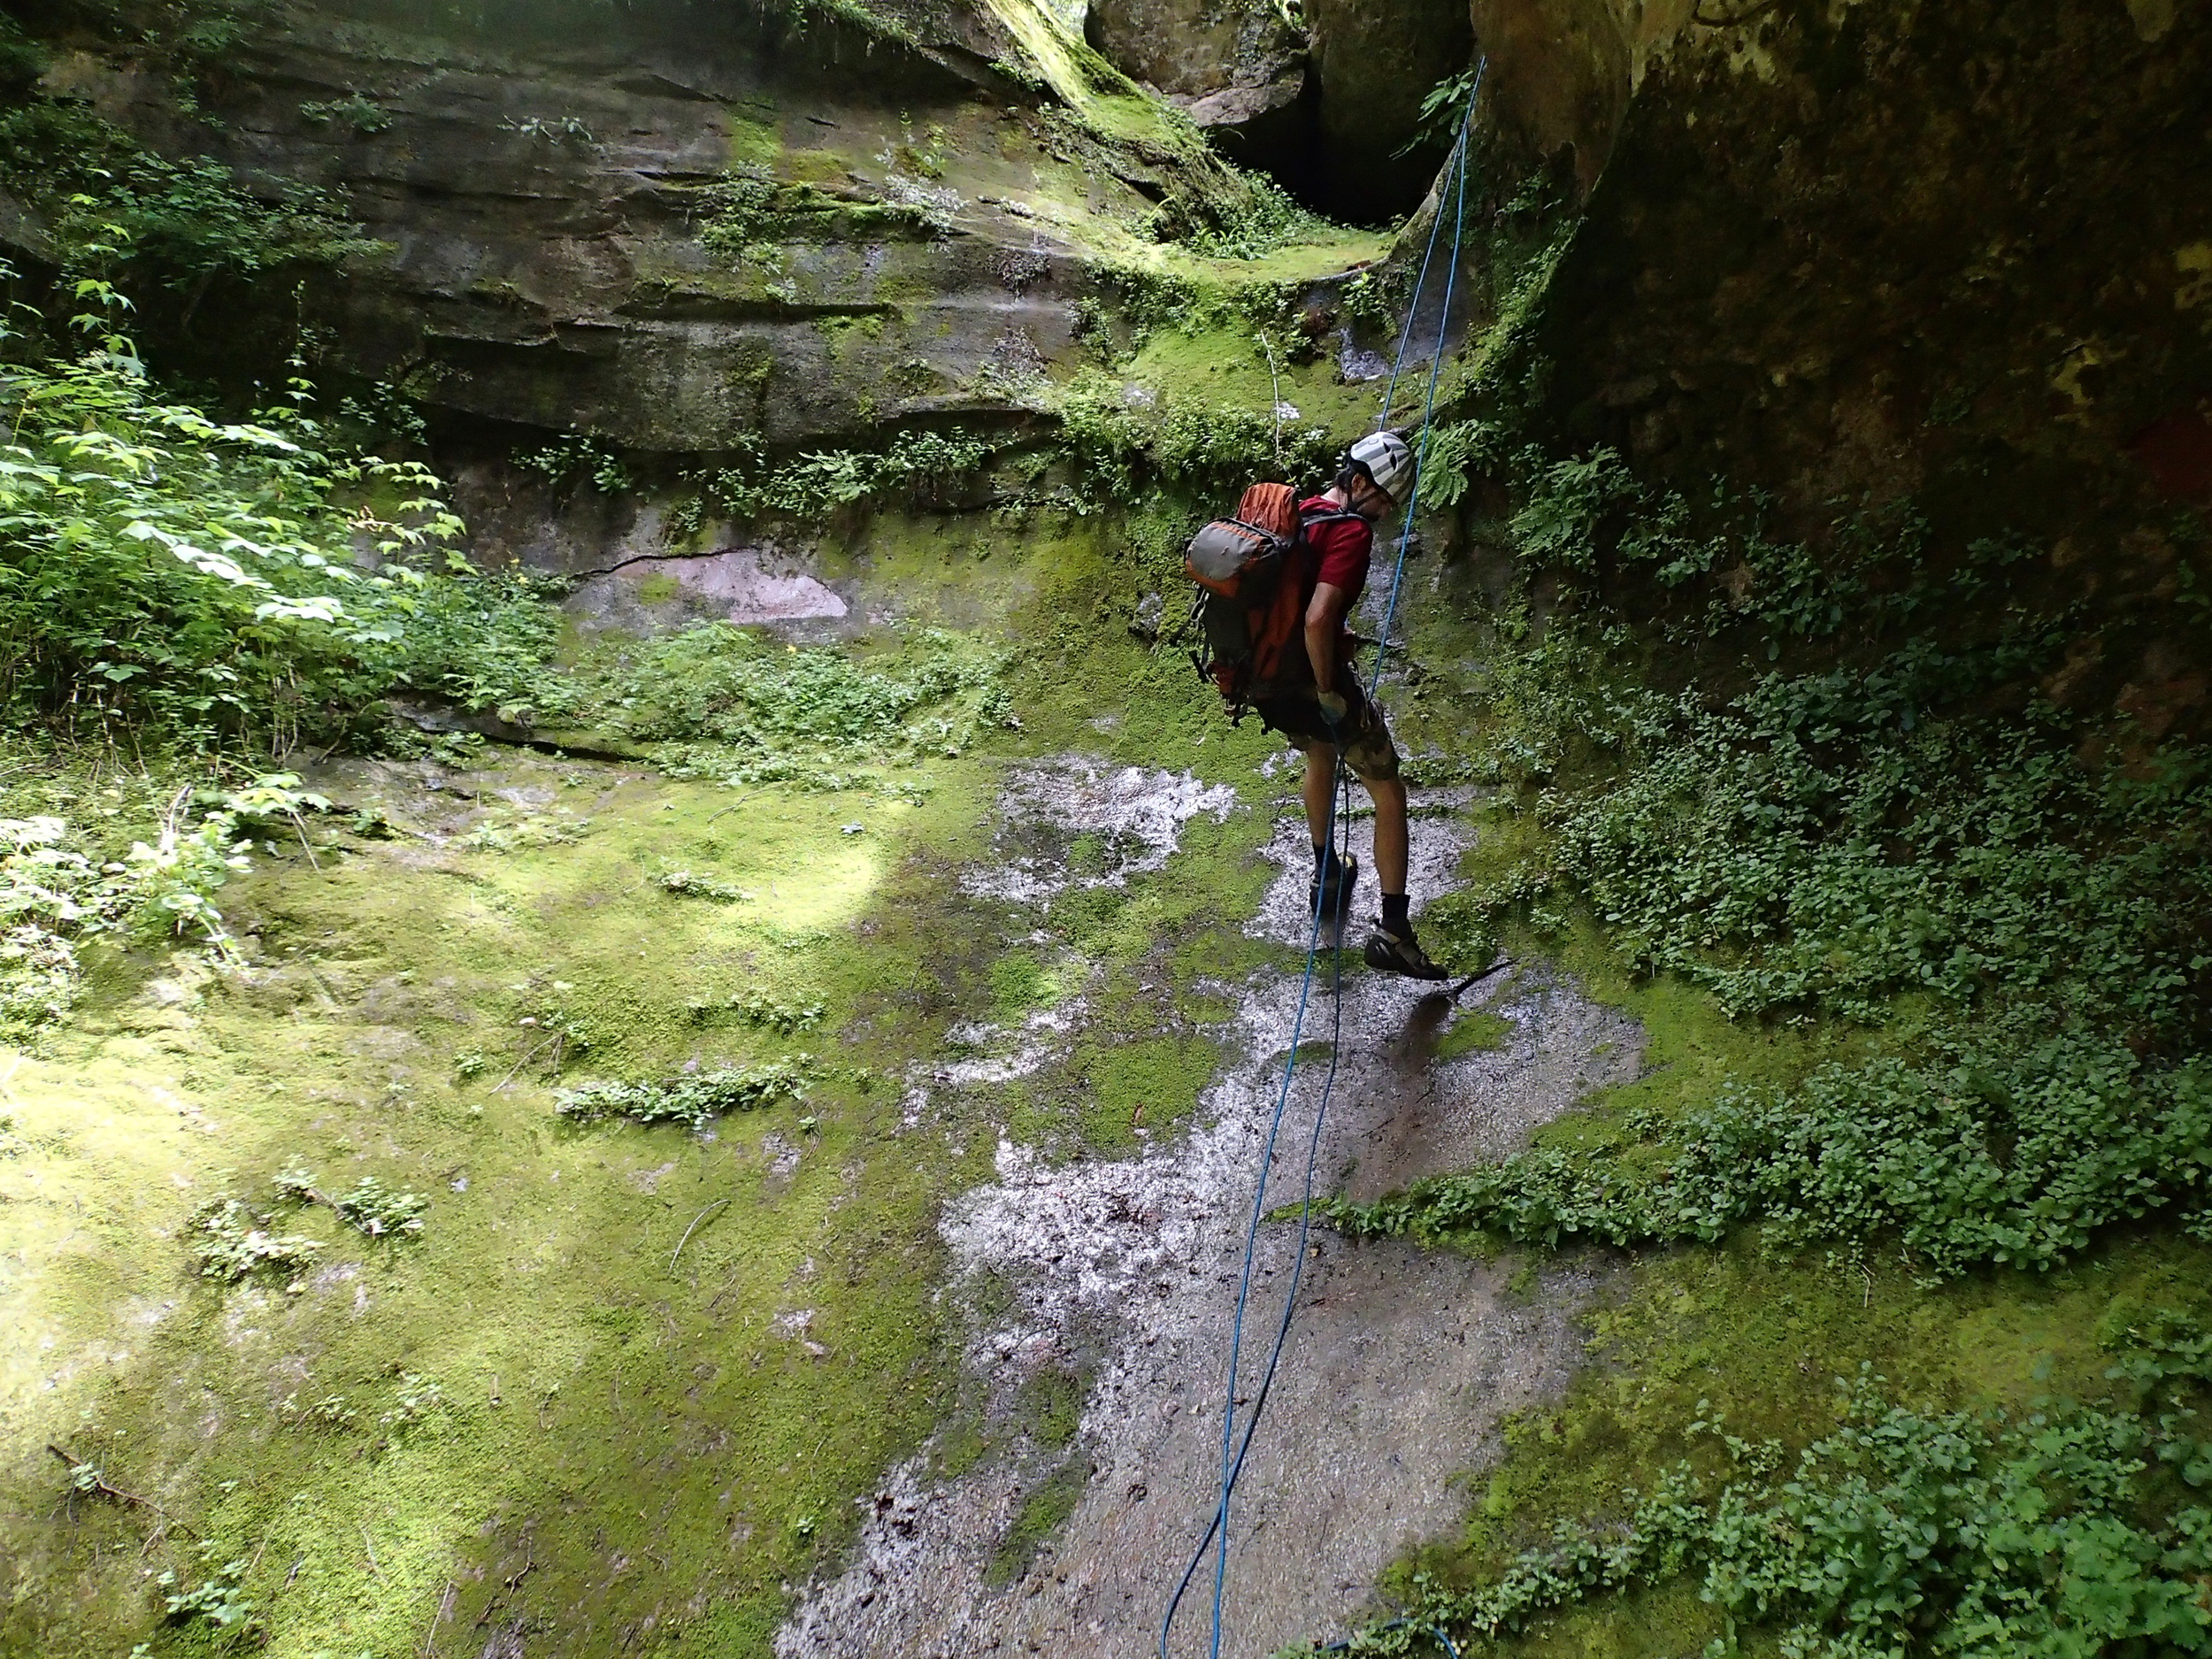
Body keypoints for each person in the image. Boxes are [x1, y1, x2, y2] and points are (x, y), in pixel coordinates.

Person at [1253, 430, 1447, 980]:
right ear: (1358, 483)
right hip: (1310, 684)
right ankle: (1392, 931)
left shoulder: (1306, 511)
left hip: (1270, 681)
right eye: (1384, 499)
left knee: (1319, 757)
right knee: (1387, 788)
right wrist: (1330, 692)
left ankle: (1328, 874)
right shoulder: (1352, 534)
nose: (1386, 513)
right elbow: (1316, 619)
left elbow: (1303, 605)